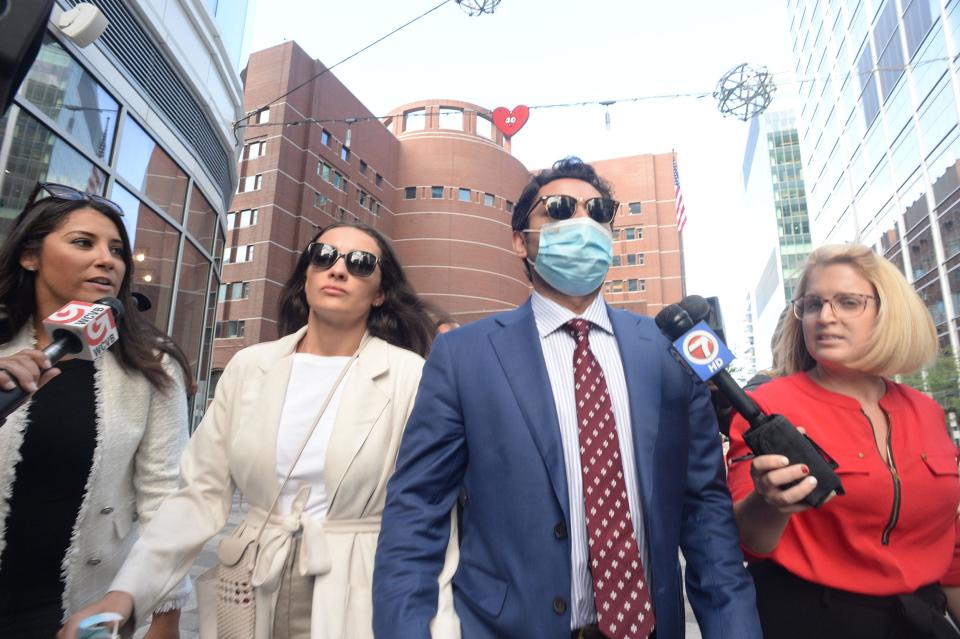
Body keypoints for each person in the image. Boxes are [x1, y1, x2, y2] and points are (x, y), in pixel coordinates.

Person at [373, 157, 762, 639]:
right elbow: (417, 508)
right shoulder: (462, 355)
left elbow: (705, 512)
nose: (583, 223)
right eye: (558, 209)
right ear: (521, 240)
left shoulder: (668, 351)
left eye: (598, 211)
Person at [61, 222, 460, 639]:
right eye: (323, 256)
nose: (338, 270)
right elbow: (199, 495)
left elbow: (430, 516)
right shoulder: (251, 367)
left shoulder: (410, 376)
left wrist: (438, 626)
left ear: (380, 292)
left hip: (359, 588)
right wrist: (126, 593)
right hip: (251, 584)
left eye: (360, 264)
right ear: (306, 274)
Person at [726, 244, 960, 638]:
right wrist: (769, 501)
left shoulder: (928, 412)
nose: (825, 317)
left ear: (887, 312)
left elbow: (950, 547)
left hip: (923, 618)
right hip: (812, 620)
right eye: (813, 304)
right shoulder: (766, 407)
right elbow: (750, 542)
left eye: (848, 302)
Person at [0, 183, 193, 638]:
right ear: (31, 256)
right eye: (82, 243)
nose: (107, 260)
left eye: (117, 251)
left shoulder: (150, 365)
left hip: (72, 612)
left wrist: (165, 613)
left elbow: (165, 497)